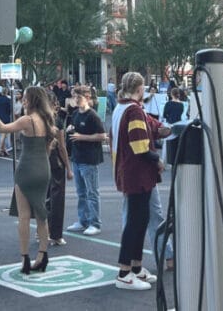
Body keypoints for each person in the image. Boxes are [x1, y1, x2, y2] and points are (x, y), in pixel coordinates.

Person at [0, 86, 58, 275]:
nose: (23, 101)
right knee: (41, 213)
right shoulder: (47, 121)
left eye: (25, 99)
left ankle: (24, 258)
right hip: (43, 168)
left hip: (26, 169)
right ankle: (42, 255)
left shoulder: (27, 120)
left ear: (31, 101)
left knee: (24, 216)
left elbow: (2, 128)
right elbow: (48, 149)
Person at [110, 72, 162, 290]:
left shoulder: (122, 107)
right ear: (140, 89)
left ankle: (136, 267)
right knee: (135, 222)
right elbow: (140, 145)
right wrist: (157, 159)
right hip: (137, 173)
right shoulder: (133, 110)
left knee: (139, 221)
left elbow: (150, 125)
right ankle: (124, 272)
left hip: (126, 170)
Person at [67, 86, 107, 237]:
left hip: (89, 158)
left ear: (87, 97)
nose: (76, 100)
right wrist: (70, 129)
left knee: (92, 192)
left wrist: (82, 137)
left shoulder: (93, 116)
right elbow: (75, 129)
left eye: (79, 97)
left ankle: (95, 223)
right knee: (81, 192)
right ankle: (83, 220)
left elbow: (102, 136)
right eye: (74, 97)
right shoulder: (76, 113)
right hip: (77, 157)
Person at [45, 91, 74, 246]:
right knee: (57, 198)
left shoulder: (35, 119)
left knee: (44, 197)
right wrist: (68, 168)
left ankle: (42, 231)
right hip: (55, 160)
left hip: (39, 160)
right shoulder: (57, 120)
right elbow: (62, 147)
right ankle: (55, 234)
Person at [0, 87, 14, 156]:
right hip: (6, 118)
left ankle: (4, 149)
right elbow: (10, 110)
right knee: (4, 134)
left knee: (1, 134)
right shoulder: (8, 100)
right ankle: (0, 149)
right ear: (7, 92)